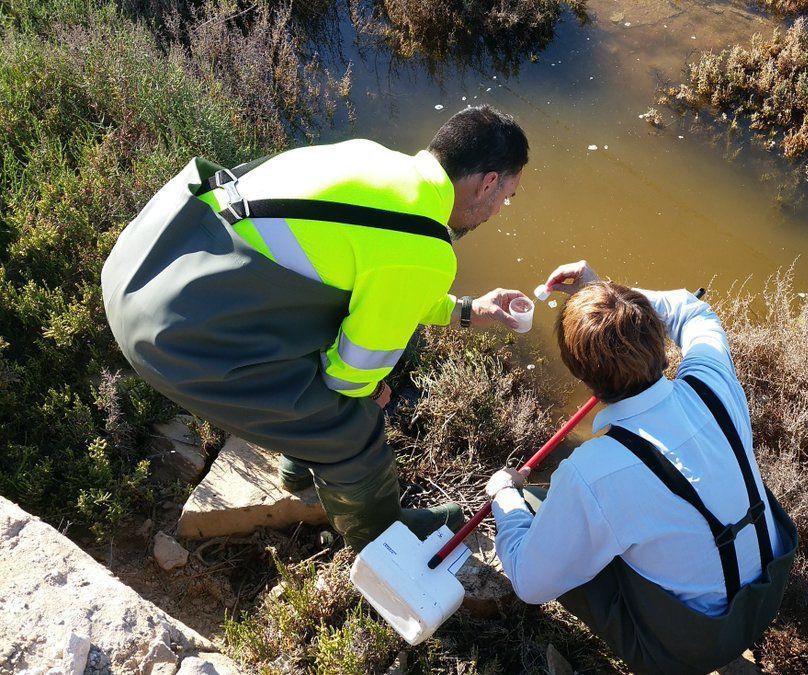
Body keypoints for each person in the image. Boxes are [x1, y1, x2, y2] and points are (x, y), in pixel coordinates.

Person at [102, 105, 531, 551]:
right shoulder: (425, 246)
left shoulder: (374, 161)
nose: (500, 209)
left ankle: (300, 465)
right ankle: (383, 541)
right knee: (354, 426)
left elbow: (382, 275)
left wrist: (468, 310)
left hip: (149, 259)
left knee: (325, 328)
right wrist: (368, 392)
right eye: (507, 196)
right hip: (169, 332)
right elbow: (349, 377)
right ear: (488, 183)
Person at [485, 261, 798, 674]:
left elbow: (530, 582)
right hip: (768, 597)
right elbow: (692, 310)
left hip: (690, 653)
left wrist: (504, 495)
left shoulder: (593, 472)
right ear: (658, 341)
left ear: (583, 377)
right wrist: (613, 294)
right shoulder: (712, 382)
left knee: (534, 508)